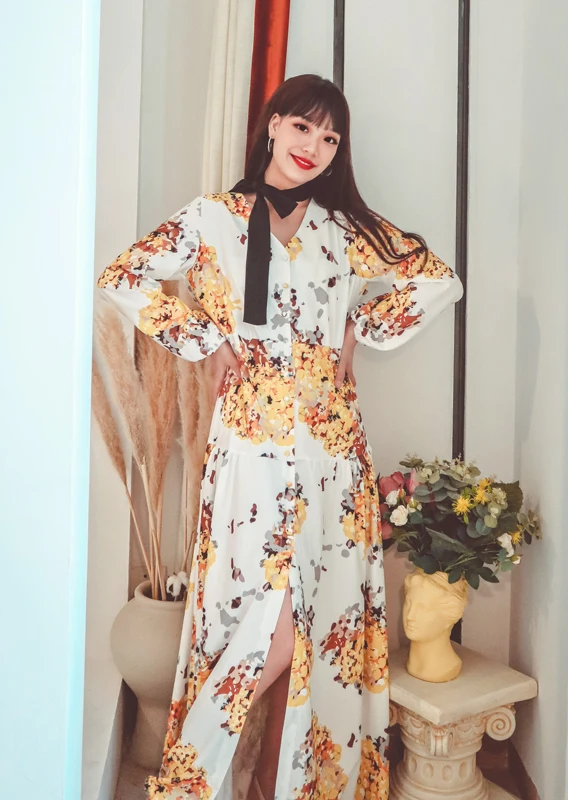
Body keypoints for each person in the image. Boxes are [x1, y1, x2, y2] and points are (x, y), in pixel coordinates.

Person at [97, 73, 464, 800]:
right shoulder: (211, 219)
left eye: (330, 138)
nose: (314, 147)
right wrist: (206, 339)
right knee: (267, 623)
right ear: (272, 125)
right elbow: (123, 274)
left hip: (332, 449)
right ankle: (192, 778)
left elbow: (438, 279)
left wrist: (360, 325)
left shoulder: (345, 229)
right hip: (249, 448)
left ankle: (282, 785)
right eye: (303, 127)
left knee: (319, 626)